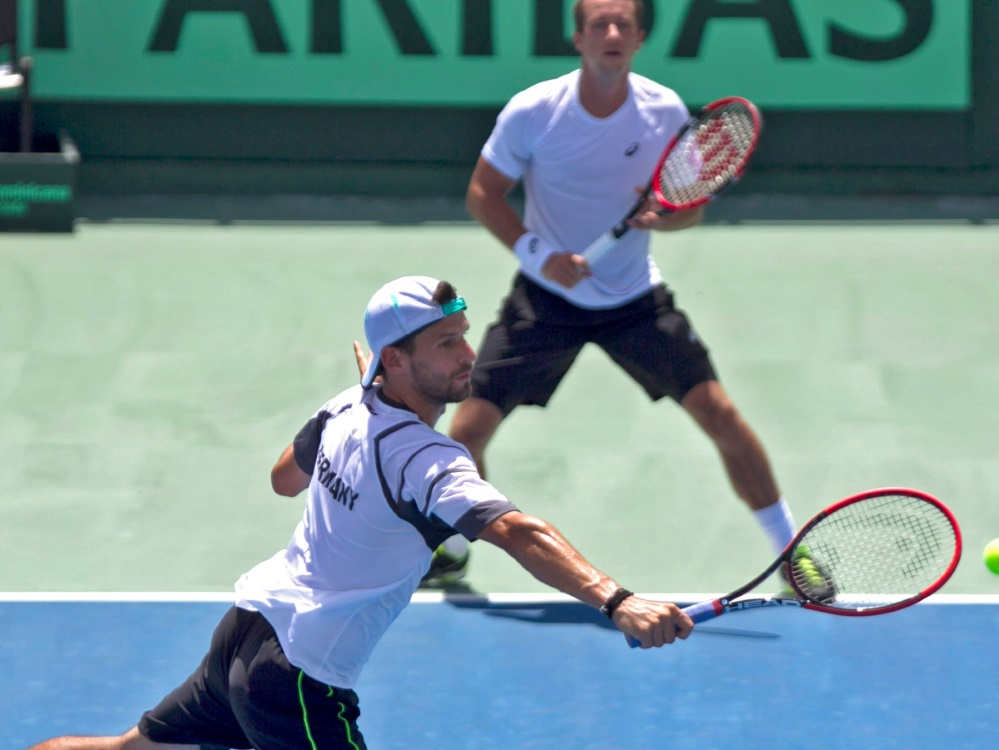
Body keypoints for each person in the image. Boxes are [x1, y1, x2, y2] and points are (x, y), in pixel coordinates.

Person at [28, 275, 693, 750]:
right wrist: (616, 600)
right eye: (443, 344)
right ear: (396, 359)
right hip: (296, 678)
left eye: (463, 336)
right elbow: (517, 531)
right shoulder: (428, 460)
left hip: (245, 633)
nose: (467, 355)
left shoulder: (344, 408)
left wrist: (359, 397)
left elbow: (283, 479)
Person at [427, 0, 799, 586]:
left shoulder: (663, 110)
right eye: (599, 22)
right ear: (578, 38)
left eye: (623, 22)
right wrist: (540, 256)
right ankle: (451, 549)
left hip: (634, 301)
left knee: (721, 415)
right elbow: (483, 194)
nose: (611, 32)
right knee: (465, 434)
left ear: (640, 37)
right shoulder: (534, 110)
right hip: (545, 301)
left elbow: (688, 210)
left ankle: (790, 554)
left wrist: (663, 220)